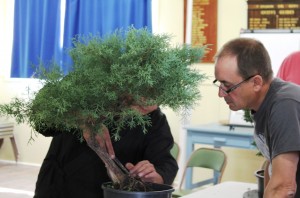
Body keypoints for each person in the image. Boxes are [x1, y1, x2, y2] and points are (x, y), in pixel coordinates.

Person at [213, 37, 300, 197]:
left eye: (228, 86)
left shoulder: (284, 105)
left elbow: (283, 187)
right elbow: (272, 166)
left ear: (256, 83)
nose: (221, 93)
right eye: (219, 84)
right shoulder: (264, 106)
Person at [33, 104, 178, 198]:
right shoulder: (86, 88)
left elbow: (166, 163)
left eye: (157, 96)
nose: (148, 103)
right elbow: (42, 119)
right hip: (59, 187)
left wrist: (155, 176)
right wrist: (82, 119)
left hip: (109, 194)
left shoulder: (155, 120)